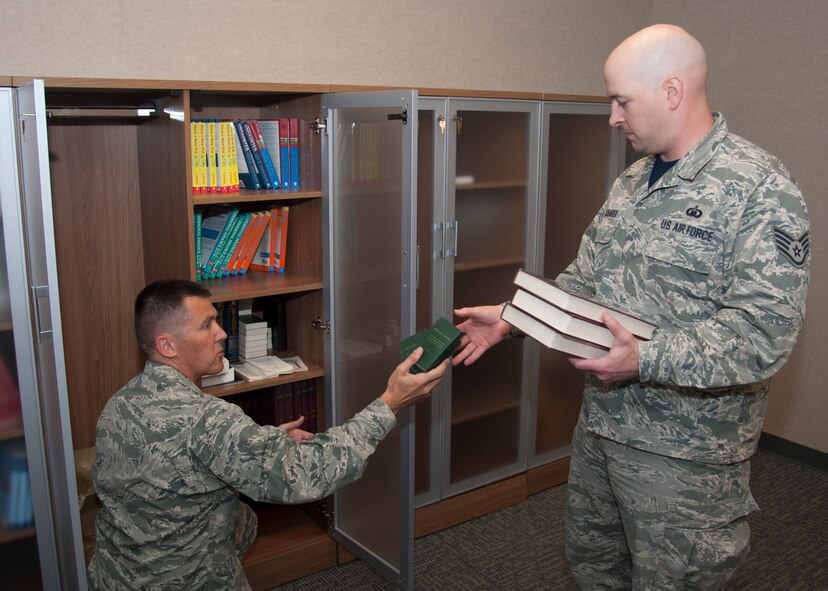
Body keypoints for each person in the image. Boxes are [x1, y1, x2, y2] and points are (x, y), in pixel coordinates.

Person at [452, 24, 809, 590]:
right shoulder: (632, 182)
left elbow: (762, 334)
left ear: (671, 91)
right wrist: (513, 317)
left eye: (622, 100)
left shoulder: (761, 189)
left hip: (684, 458)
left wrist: (646, 358)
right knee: (594, 567)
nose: (613, 117)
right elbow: (585, 282)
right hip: (602, 428)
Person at [87, 279, 448, 590]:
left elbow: (178, 463)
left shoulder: (120, 403)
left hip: (118, 576)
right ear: (167, 345)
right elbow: (310, 474)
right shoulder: (208, 419)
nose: (222, 333)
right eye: (207, 325)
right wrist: (389, 403)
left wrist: (264, 440)